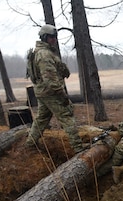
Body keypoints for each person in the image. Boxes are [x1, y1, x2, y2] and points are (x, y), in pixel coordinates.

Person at [25, 24, 86, 154]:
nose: (54, 39)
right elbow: (50, 79)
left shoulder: (41, 52)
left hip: (43, 92)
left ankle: (30, 143)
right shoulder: (44, 55)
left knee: (42, 118)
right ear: (45, 37)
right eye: (52, 37)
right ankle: (79, 148)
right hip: (51, 92)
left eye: (55, 37)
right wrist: (62, 94)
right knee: (67, 116)